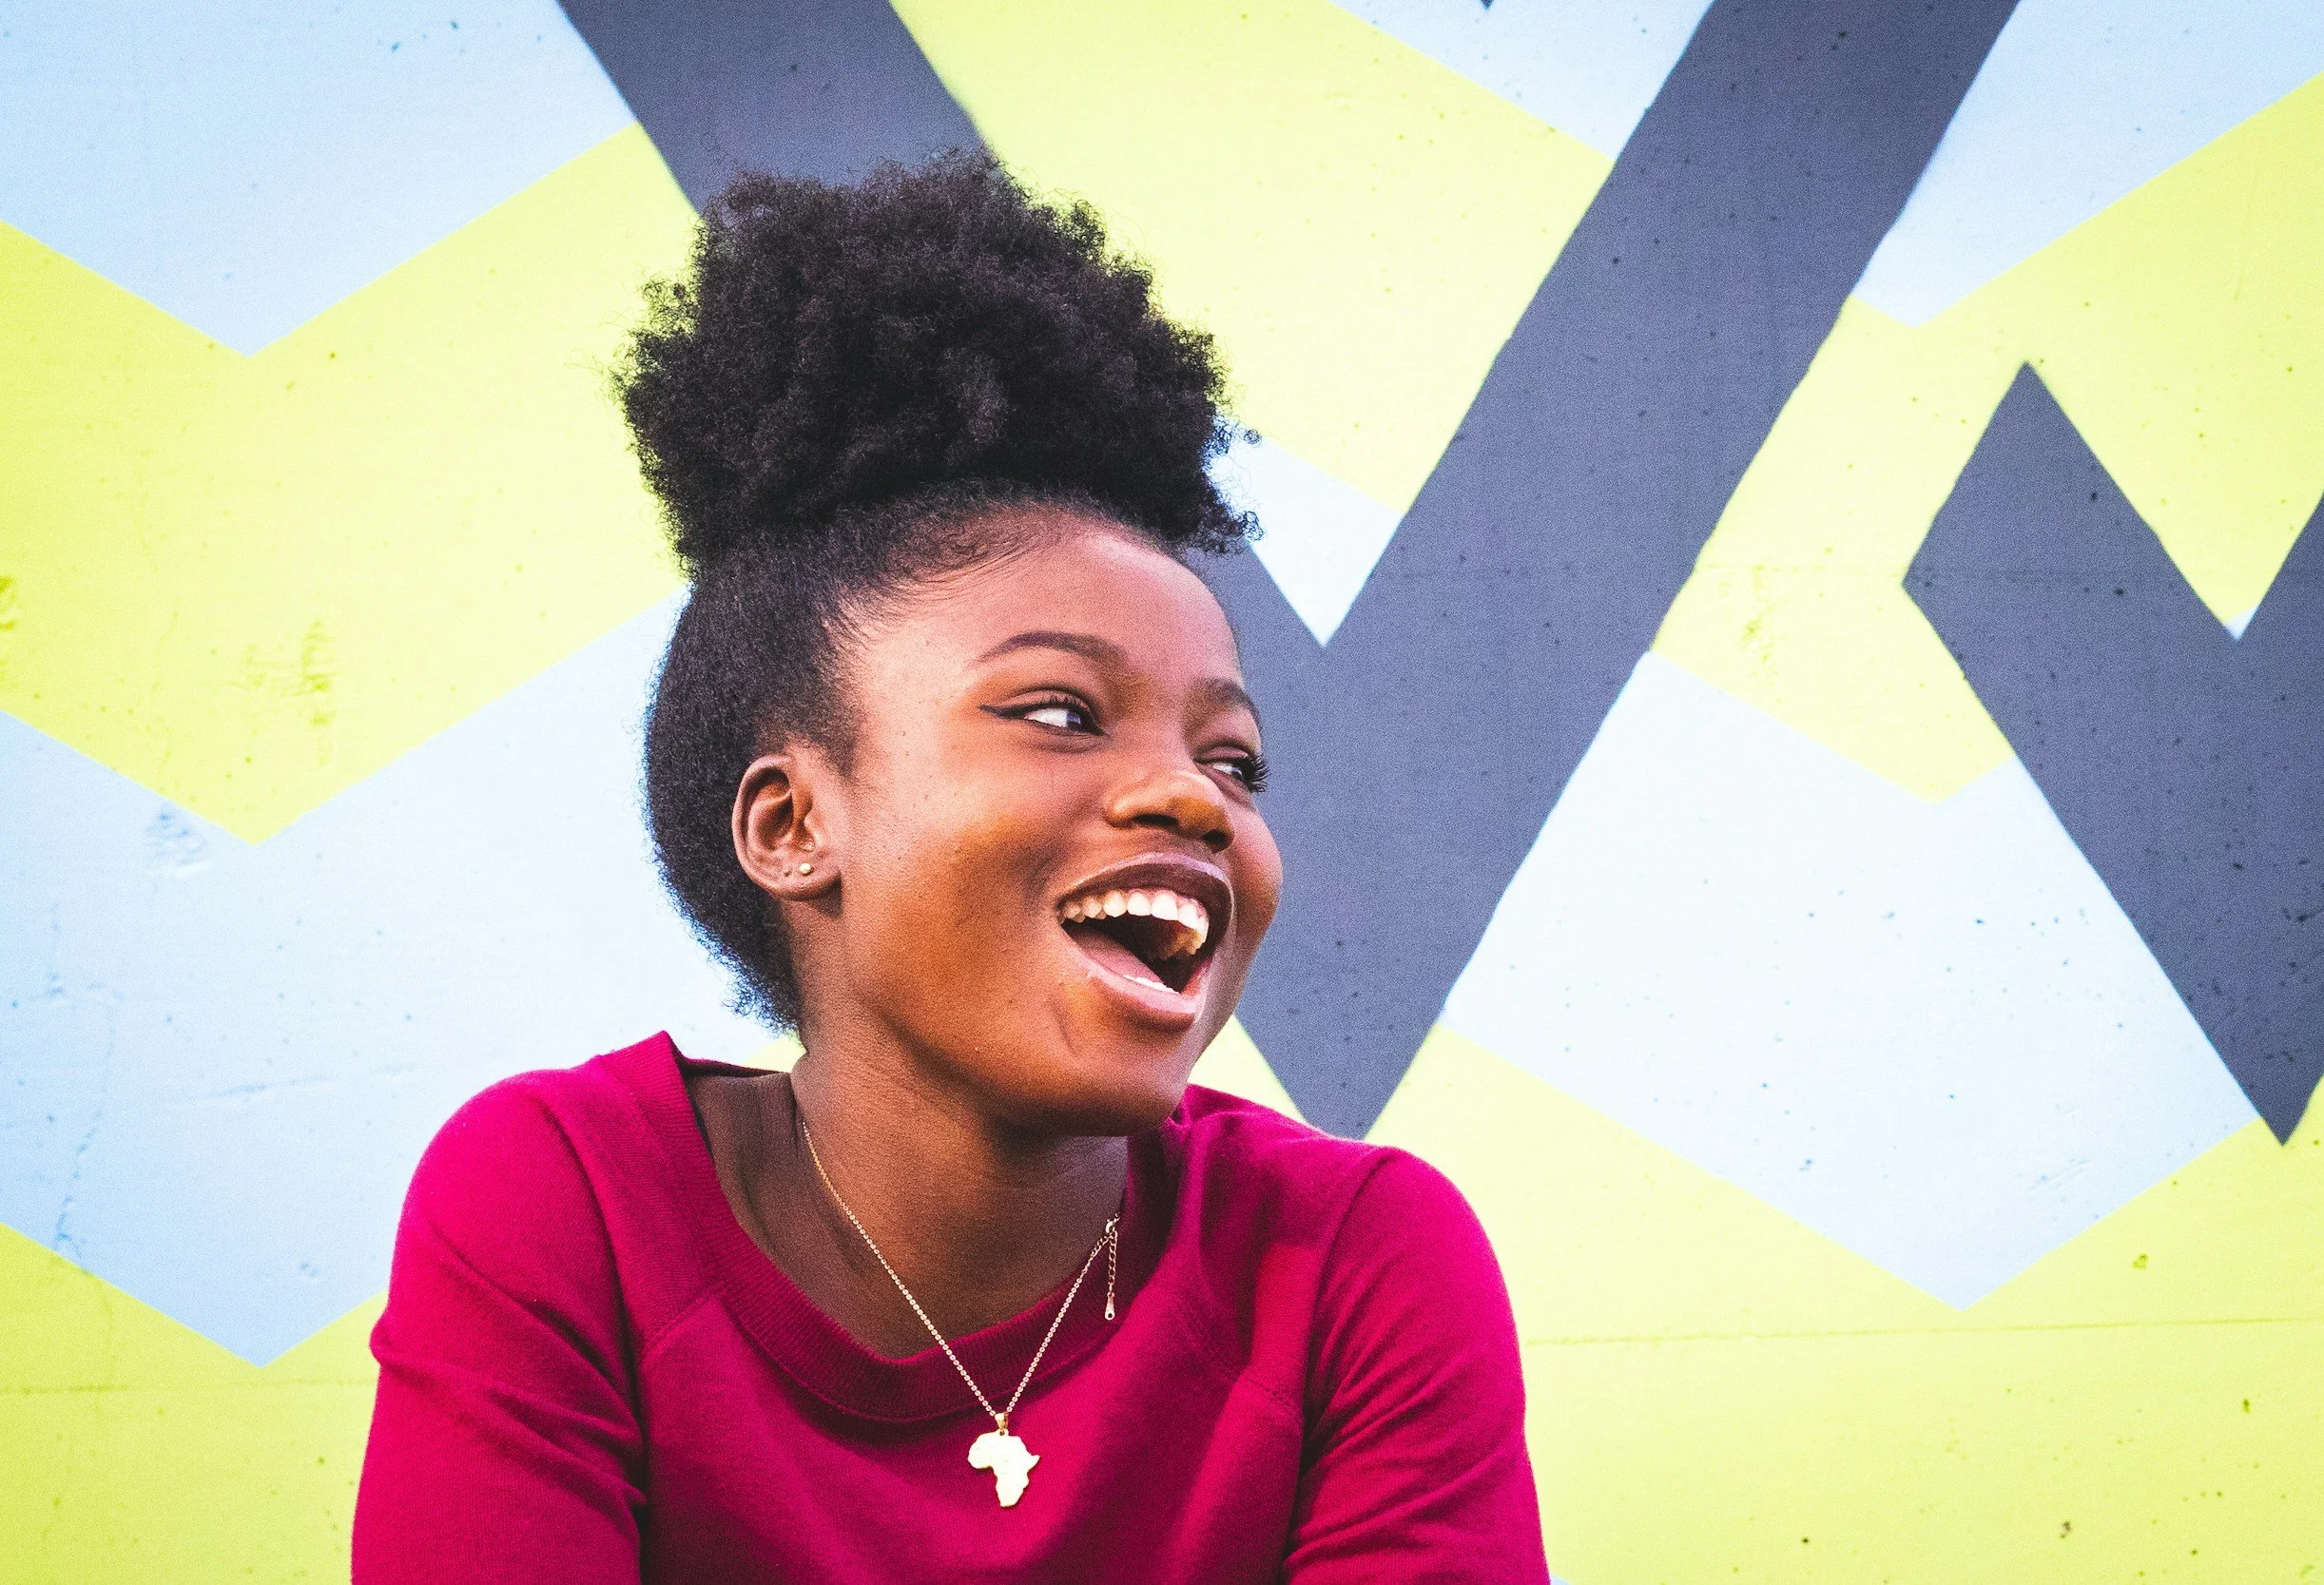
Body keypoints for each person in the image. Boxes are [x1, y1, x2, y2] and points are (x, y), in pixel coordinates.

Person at [352, 152, 1547, 1583]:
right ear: (795, 824)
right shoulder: (568, 1207)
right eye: (1058, 712)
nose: (1194, 796)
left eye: (1236, 761)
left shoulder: (1358, 1265)